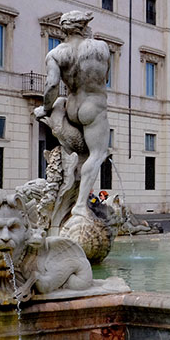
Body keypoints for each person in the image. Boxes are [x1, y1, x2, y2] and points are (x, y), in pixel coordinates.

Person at [33, 11, 111, 219]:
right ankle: (78, 206)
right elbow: (106, 77)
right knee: (98, 154)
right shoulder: (101, 48)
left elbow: (51, 86)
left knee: (82, 157)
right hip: (93, 107)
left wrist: (46, 109)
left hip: (72, 106)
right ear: (85, 26)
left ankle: (69, 194)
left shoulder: (56, 54)